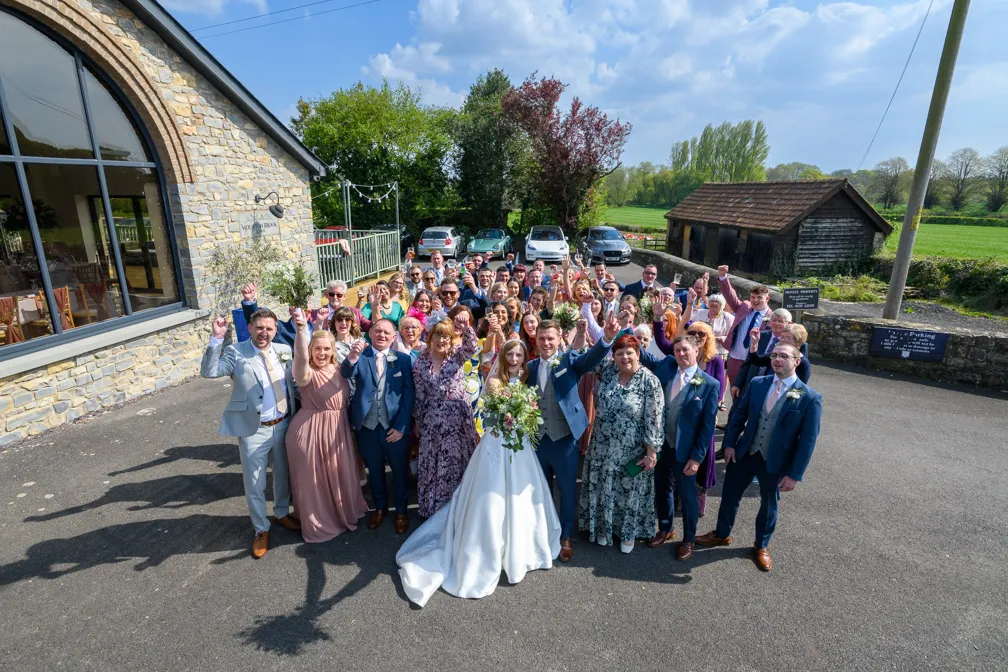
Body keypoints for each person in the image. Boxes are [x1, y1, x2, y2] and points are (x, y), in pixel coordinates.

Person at [697, 343, 822, 572]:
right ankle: (722, 533)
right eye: (774, 355)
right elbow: (738, 416)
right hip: (745, 452)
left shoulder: (809, 397)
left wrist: (794, 474)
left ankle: (761, 545)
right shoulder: (757, 384)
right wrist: (730, 445)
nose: (777, 359)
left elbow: (808, 441)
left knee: (769, 505)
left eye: (784, 356)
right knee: (730, 495)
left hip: (775, 461)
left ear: (797, 361)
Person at [200, 309, 301, 558]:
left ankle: (280, 513)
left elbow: (295, 384)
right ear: (250, 327)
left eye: (269, 328)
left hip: (283, 424)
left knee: (282, 475)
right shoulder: (236, 352)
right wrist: (217, 339)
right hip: (254, 430)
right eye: (259, 328)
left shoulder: (284, 351)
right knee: (255, 482)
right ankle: (260, 528)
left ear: (275, 329)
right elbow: (210, 371)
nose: (264, 333)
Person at [527, 313, 621, 562]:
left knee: (567, 490)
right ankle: (543, 532)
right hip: (538, 440)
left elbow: (592, 358)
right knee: (541, 490)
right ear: (535, 339)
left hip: (565, 439)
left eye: (550, 338)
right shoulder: (530, 367)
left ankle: (565, 536)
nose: (546, 342)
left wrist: (608, 337)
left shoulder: (569, 361)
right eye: (541, 338)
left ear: (559, 339)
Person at [578, 333, 664, 553]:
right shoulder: (607, 370)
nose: (624, 357)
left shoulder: (649, 381)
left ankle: (627, 534)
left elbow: (654, 419)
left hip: (631, 449)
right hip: (602, 445)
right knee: (603, 488)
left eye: (629, 352)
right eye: (619, 353)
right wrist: (581, 333)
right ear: (613, 355)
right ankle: (604, 529)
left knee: (627, 493)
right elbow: (582, 360)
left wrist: (651, 452)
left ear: (639, 354)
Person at [285, 314, 368, 542]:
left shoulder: (339, 369)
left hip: (337, 431)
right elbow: (300, 357)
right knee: (314, 482)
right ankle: (319, 523)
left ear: (333, 350)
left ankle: (341, 513)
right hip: (310, 431)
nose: (321, 354)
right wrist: (302, 329)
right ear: (310, 350)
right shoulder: (305, 374)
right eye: (316, 349)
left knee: (336, 475)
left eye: (326, 349)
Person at [638, 334, 719, 560]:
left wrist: (696, 458)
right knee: (662, 489)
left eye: (685, 350)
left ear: (696, 350)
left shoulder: (709, 385)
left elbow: (707, 427)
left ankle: (689, 540)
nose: (681, 354)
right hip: (662, 447)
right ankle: (665, 528)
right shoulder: (667, 373)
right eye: (677, 351)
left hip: (686, 452)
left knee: (688, 496)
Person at [341, 319, 416, 534]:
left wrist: (402, 426)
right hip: (368, 427)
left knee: (400, 471)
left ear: (394, 337)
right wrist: (352, 356)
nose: (382, 335)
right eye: (378, 331)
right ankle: (380, 507)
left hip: (394, 427)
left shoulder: (402, 359)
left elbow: (409, 394)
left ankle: (401, 511)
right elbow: (345, 374)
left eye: (387, 332)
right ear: (370, 333)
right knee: (374, 471)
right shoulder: (360, 357)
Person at [412, 315, 481, 518]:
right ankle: (435, 509)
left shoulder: (456, 357)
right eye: (438, 336)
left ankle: (461, 508)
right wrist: (418, 421)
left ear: (451, 340)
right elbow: (419, 394)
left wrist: (467, 326)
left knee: (459, 460)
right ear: (430, 337)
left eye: (446, 337)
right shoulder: (420, 364)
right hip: (433, 419)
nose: (442, 341)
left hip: (458, 417)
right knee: (434, 462)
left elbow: (471, 347)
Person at [680, 321, 726, 517]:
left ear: (708, 337)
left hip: (704, 416)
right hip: (683, 418)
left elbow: (720, 387)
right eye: (693, 332)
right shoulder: (681, 355)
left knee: (700, 459)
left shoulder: (714, 360)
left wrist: (712, 412)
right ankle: (678, 502)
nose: (697, 335)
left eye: (702, 333)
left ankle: (696, 506)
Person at [717, 266, 772, 389]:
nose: (755, 300)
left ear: (767, 298)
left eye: (759, 298)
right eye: (753, 297)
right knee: (734, 392)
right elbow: (730, 296)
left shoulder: (772, 317)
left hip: (753, 363)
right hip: (734, 359)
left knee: (750, 394)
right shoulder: (744, 307)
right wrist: (723, 277)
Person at [239, 282, 310, 347]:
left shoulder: (315, 327)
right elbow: (256, 319)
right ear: (290, 310)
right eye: (298, 308)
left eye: (306, 309)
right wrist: (249, 300)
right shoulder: (280, 329)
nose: (302, 312)